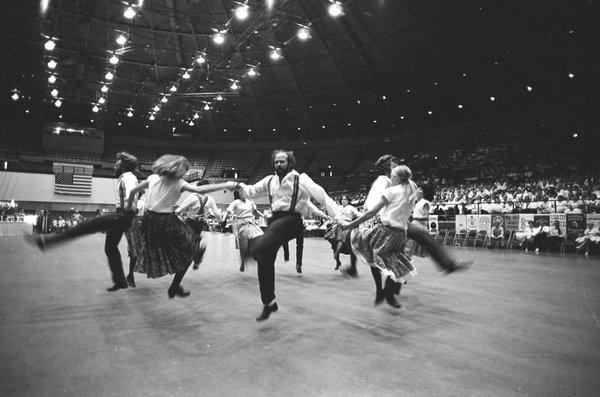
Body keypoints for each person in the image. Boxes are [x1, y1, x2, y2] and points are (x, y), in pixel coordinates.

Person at [238, 150, 340, 321]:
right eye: (276, 162)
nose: (278, 164)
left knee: (260, 246)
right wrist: (237, 186)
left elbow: (321, 195)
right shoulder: (269, 180)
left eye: (282, 162)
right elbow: (251, 191)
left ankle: (251, 249)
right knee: (264, 258)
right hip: (274, 221)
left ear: (290, 163)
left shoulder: (300, 179)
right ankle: (269, 303)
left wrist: (337, 216)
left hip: (292, 220)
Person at [126, 155, 237, 298]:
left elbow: (133, 192)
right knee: (190, 250)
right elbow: (201, 191)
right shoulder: (179, 183)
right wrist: (226, 184)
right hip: (165, 221)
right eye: (184, 170)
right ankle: (174, 286)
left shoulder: (153, 178)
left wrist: (129, 207)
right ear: (178, 170)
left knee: (152, 250)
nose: (185, 173)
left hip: (149, 220)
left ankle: (170, 283)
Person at [30, 152, 140, 292]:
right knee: (110, 248)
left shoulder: (127, 177)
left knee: (85, 226)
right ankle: (121, 281)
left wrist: (128, 209)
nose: (114, 166)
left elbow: (131, 193)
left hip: (122, 215)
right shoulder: (128, 177)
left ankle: (47, 242)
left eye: (116, 163)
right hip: (124, 217)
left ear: (123, 166)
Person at [339, 165, 418, 308]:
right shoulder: (412, 189)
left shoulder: (391, 191)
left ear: (395, 178)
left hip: (386, 232)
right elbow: (410, 182)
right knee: (393, 261)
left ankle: (384, 291)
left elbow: (370, 213)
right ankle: (386, 292)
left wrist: (350, 225)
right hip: (400, 234)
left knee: (363, 245)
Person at [175, 180, 220, 268]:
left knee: (192, 243)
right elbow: (217, 213)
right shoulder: (209, 199)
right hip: (198, 224)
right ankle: (196, 258)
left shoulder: (193, 197)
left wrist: (175, 214)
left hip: (191, 223)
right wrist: (220, 221)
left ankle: (193, 257)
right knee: (194, 243)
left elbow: (181, 208)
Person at [221, 190, 265, 272]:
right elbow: (227, 211)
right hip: (241, 223)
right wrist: (223, 219)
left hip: (251, 222)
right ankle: (243, 262)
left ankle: (253, 254)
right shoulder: (235, 202)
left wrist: (264, 216)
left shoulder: (250, 202)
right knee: (243, 246)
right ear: (239, 194)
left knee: (260, 236)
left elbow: (255, 211)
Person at [282, 200, 327, 274]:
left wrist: (324, 216)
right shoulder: (291, 196)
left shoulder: (306, 200)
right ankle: (287, 255)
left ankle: (299, 264)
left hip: (298, 223)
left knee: (300, 244)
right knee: (284, 238)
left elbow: (315, 209)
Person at [324, 195, 360, 270]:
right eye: (342, 199)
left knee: (343, 233)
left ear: (348, 201)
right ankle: (337, 261)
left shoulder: (351, 208)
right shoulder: (338, 207)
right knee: (329, 234)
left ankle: (340, 249)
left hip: (347, 224)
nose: (343, 200)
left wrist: (359, 218)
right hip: (338, 224)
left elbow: (358, 214)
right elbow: (334, 215)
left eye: (345, 199)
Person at [406, 184, 434, 258]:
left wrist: (415, 218)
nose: (418, 190)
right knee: (407, 249)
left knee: (409, 249)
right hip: (414, 224)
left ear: (424, 192)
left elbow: (426, 217)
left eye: (420, 189)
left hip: (419, 226)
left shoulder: (425, 203)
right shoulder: (418, 202)